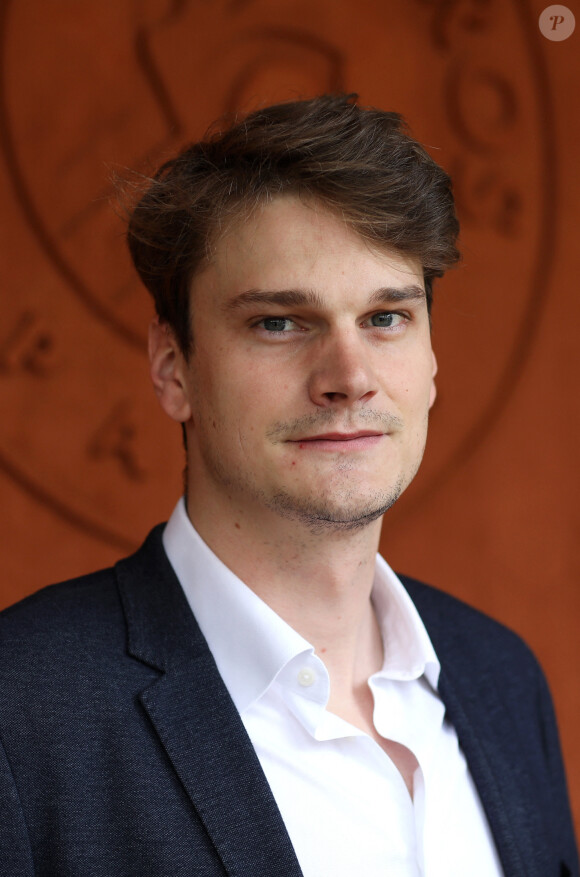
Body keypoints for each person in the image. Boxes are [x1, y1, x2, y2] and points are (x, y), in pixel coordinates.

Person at [0, 94, 577, 877]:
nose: (349, 377)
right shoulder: (22, 706)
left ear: (432, 359)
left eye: (386, 317)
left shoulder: (501, 678)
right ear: (174, 369)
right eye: (280, 322)